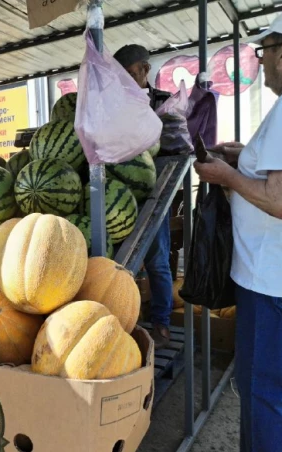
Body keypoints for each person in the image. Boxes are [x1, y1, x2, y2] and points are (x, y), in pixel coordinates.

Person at [194, 9, 282, 452]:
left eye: (265, 52)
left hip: (271, 282)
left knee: (262, 391)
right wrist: (244, 155)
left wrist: (226, 177)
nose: (263, 61)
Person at [114, 44, 174, 349]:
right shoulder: (112, 106)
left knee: (158, 262)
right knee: (124, 266)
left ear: (144, 69)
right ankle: (130, 324)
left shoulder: (162, 102)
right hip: (121, 197)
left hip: (154, 194)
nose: (126, 78)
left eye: (131, 72)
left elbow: (176, 143)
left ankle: (162, 322)